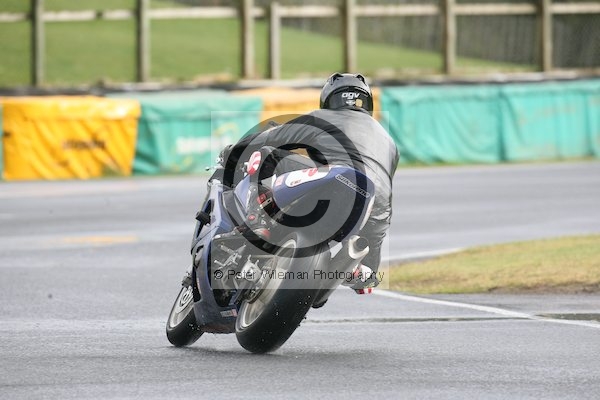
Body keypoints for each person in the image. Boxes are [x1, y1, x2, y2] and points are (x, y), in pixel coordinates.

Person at [221, 73, 399, 295]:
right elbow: (382, 185)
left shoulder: (322, 118)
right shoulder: (389, 142)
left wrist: (234, 151)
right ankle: (358, 272)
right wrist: (371, 262)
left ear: (329, 99)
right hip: (376, 209)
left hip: (338, 182)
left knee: (268, 154)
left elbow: (271, 137)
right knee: (359, 278)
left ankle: (257, 220)